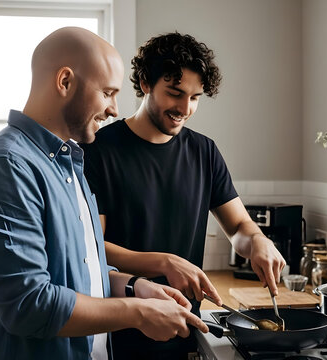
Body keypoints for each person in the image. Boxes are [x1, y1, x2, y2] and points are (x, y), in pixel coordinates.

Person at [0, 27, 208, 360]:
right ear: (65, 82)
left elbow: (81, 268)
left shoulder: (68, 164)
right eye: (107, 93)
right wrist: (138, 312)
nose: (115, 109)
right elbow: (28, 305)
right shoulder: (6, 168)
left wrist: (134, 286)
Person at [81, 32, 286, 359]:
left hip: (186, 327)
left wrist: (258, 242)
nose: (184, 108)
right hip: (122, 327)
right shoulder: (99, 151)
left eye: (195, 97)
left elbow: (239, 228)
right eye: (175, 93)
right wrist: (165, 261)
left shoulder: (204, 151)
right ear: (146, 83)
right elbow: (91, 248)